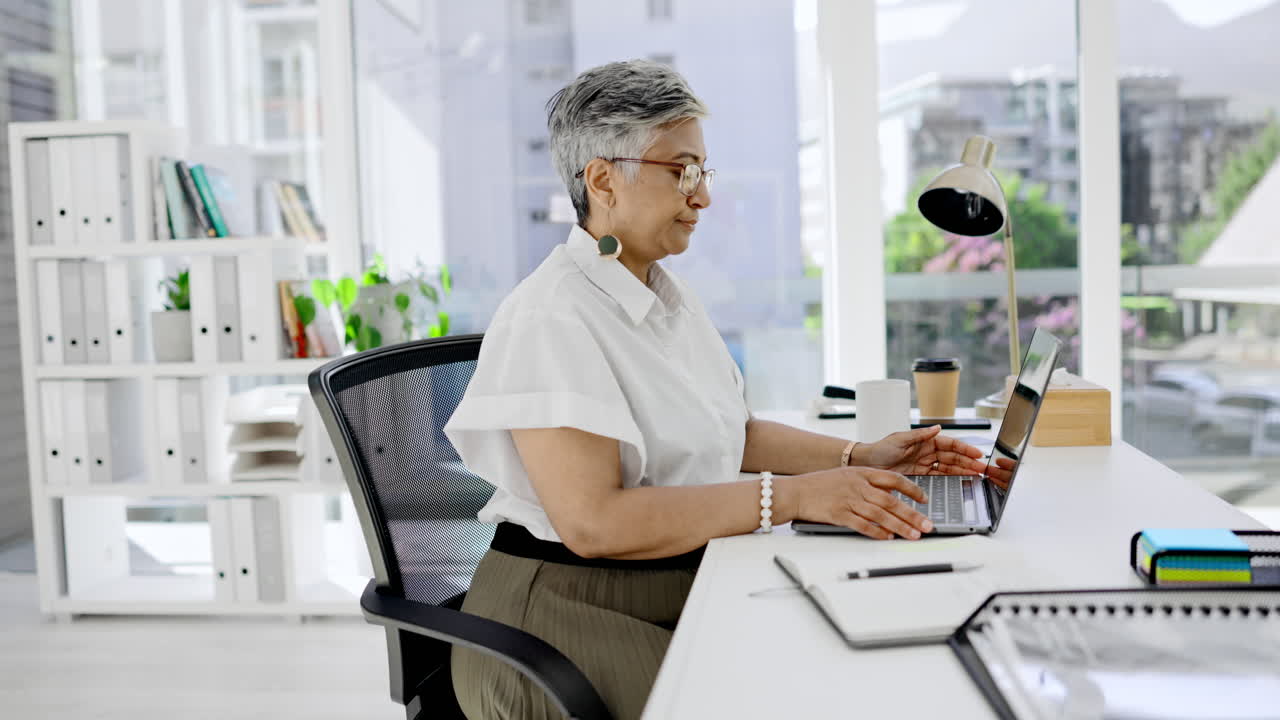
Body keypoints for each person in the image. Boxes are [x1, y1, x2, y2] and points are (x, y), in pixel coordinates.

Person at [442, 59, 988, 720]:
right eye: (682, 171)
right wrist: (793, 497)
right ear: (603, 179)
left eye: (703, 172)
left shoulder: (663, 294)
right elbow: (593, 522)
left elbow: (735, 430)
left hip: (665, 577)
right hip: (559, 617)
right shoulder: (553, 316)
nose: (701, 196)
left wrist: (855, 459)